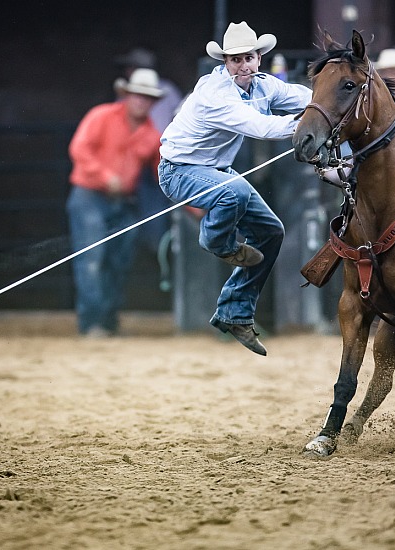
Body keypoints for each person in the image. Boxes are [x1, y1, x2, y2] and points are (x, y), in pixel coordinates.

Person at [158, 21, 312, 355]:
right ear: (225, 63)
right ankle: (217, 242)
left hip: (214, 171)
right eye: (235, 60)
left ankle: (234, 312)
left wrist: (332, 102)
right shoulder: (215, 94)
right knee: (235, 191)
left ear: (259, 59)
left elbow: (303, 97)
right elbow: (261, 127)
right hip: (178, 171)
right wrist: (314, 123)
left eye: (248, 58)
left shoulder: (264, 85)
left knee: (271, 232)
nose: (243, 66)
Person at [67, 68, 163, 337]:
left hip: (123, 201)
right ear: (127, 95)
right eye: (138, 95)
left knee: (118, 261)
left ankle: (108, 321)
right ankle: (92, 323)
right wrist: (105, 175)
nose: (142, 101)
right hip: (90, 196)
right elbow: (79, 148)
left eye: (148, 97)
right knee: (92, 260)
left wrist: (193, 205)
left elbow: (162, 175)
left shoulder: (152, 136)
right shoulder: (101, 116)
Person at [113, 47, 184, 259]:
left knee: (155, 205)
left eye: (131, 66)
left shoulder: (166, 91)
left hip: (160, 157)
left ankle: (156, 249)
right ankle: (153, 249)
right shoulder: (167, 91)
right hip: (143, 160)